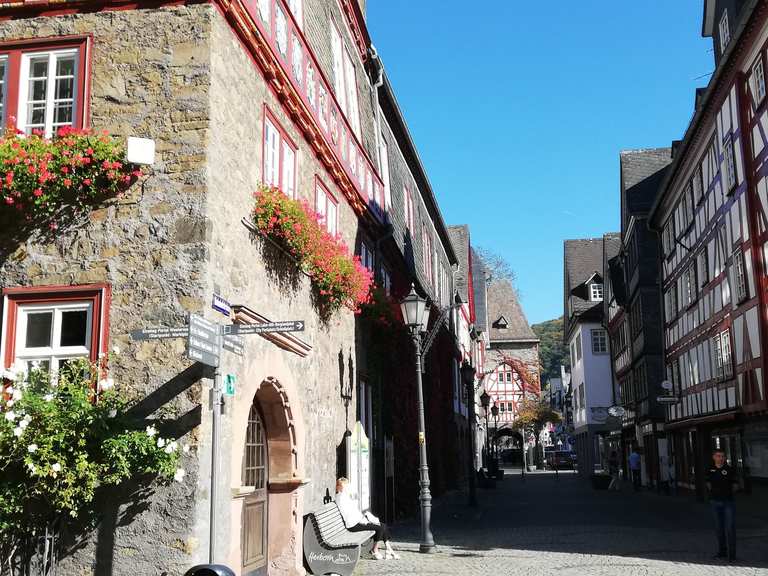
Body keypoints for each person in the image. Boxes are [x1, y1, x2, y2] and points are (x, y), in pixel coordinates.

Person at [335, 477, 399, 560]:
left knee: (383, 525)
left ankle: (388, 549)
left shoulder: (345, 497)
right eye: (343, 486)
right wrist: (363, 521)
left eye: (347, 486)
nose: (346, 488)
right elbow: (348, 516)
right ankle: (375, 550)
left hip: (358, 521)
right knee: (380, 528)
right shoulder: (340, 498)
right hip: (353, 525)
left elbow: (354, 512)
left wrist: (364, 518)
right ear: (338, 487)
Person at [707, 449, 739, 562]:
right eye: (718, 456)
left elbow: (735, 484)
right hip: (715, 502)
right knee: (719, 528)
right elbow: (707, 483)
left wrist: (729, 492)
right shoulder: (710, 470)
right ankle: (722, 552)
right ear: (713, 457)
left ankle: (732, 555)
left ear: (724, 458)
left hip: (728, 502)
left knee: (730, 528)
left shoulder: (729, 470)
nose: (720, 458)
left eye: (722, 456)